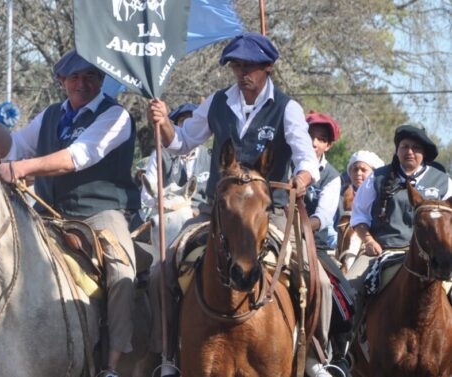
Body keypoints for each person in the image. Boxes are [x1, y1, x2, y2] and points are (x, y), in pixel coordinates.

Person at [147, 32, 333, 377]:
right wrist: (164, 125)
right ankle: (169, 354)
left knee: (317, 277)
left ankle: (314, 357)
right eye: (236, 66)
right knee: (162, 269)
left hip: (270, 210)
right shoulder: (218, 102)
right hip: (217, 210)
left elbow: (306, 158)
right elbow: (184, 142)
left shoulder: (287, 108)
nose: (242, 73)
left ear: (268, 67)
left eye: (249, 66)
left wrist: (302, 179)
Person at [0, 48, 139, 377]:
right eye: (74, 77)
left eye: (89, 76)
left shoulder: (116, 116)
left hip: (100, 213)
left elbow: (77, 156)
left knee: (123, 273)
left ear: (101, 80)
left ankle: (112, 364)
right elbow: (11, 148)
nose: (81, 83)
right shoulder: (49, 115)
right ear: (62, 81)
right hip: (46, 215)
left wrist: (20, 168)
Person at [347, 125, 452, 300]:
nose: (410, 151)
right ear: (397, 150)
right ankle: (350, 328)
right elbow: (359, 217)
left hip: (431, 256)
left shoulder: (443, 181)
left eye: (416, 147)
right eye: (405, 147)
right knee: (348, 290)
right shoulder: (377, 177)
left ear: (424, 153)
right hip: (382, 252)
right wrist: (369, 241)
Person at [140, 103, 211, 217]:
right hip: (168, 215)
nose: (188, 125)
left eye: (192, 120)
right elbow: (147, 197)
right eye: (183, 121)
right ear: (177, 126)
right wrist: (165, 206)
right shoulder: (159, 156)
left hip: (202, 217)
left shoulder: (210, 157)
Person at [304, 111, 341, 252]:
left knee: (333, 275)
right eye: (310, 136)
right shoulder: (285, 163)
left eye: (321, 139)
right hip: (277, 234)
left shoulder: (332, 177)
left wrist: (301, 228)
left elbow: (323, 215)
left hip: (313, 243)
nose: (314, 143)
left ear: (328, 146)